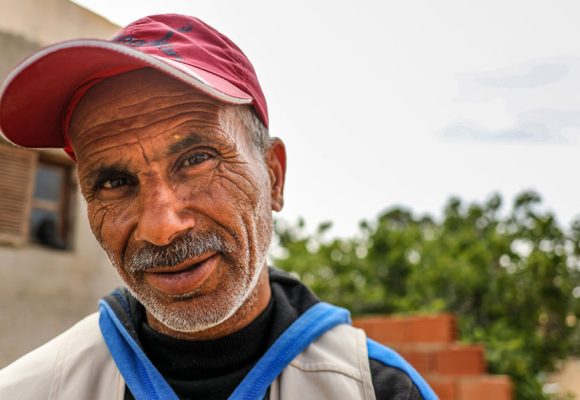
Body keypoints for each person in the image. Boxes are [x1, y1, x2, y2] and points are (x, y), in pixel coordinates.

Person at [0, 14, 437, 400]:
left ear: (274, 177)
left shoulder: (377, 389)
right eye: (115, 182)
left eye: (196, 160)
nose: (162, 227)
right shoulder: (31, 390)